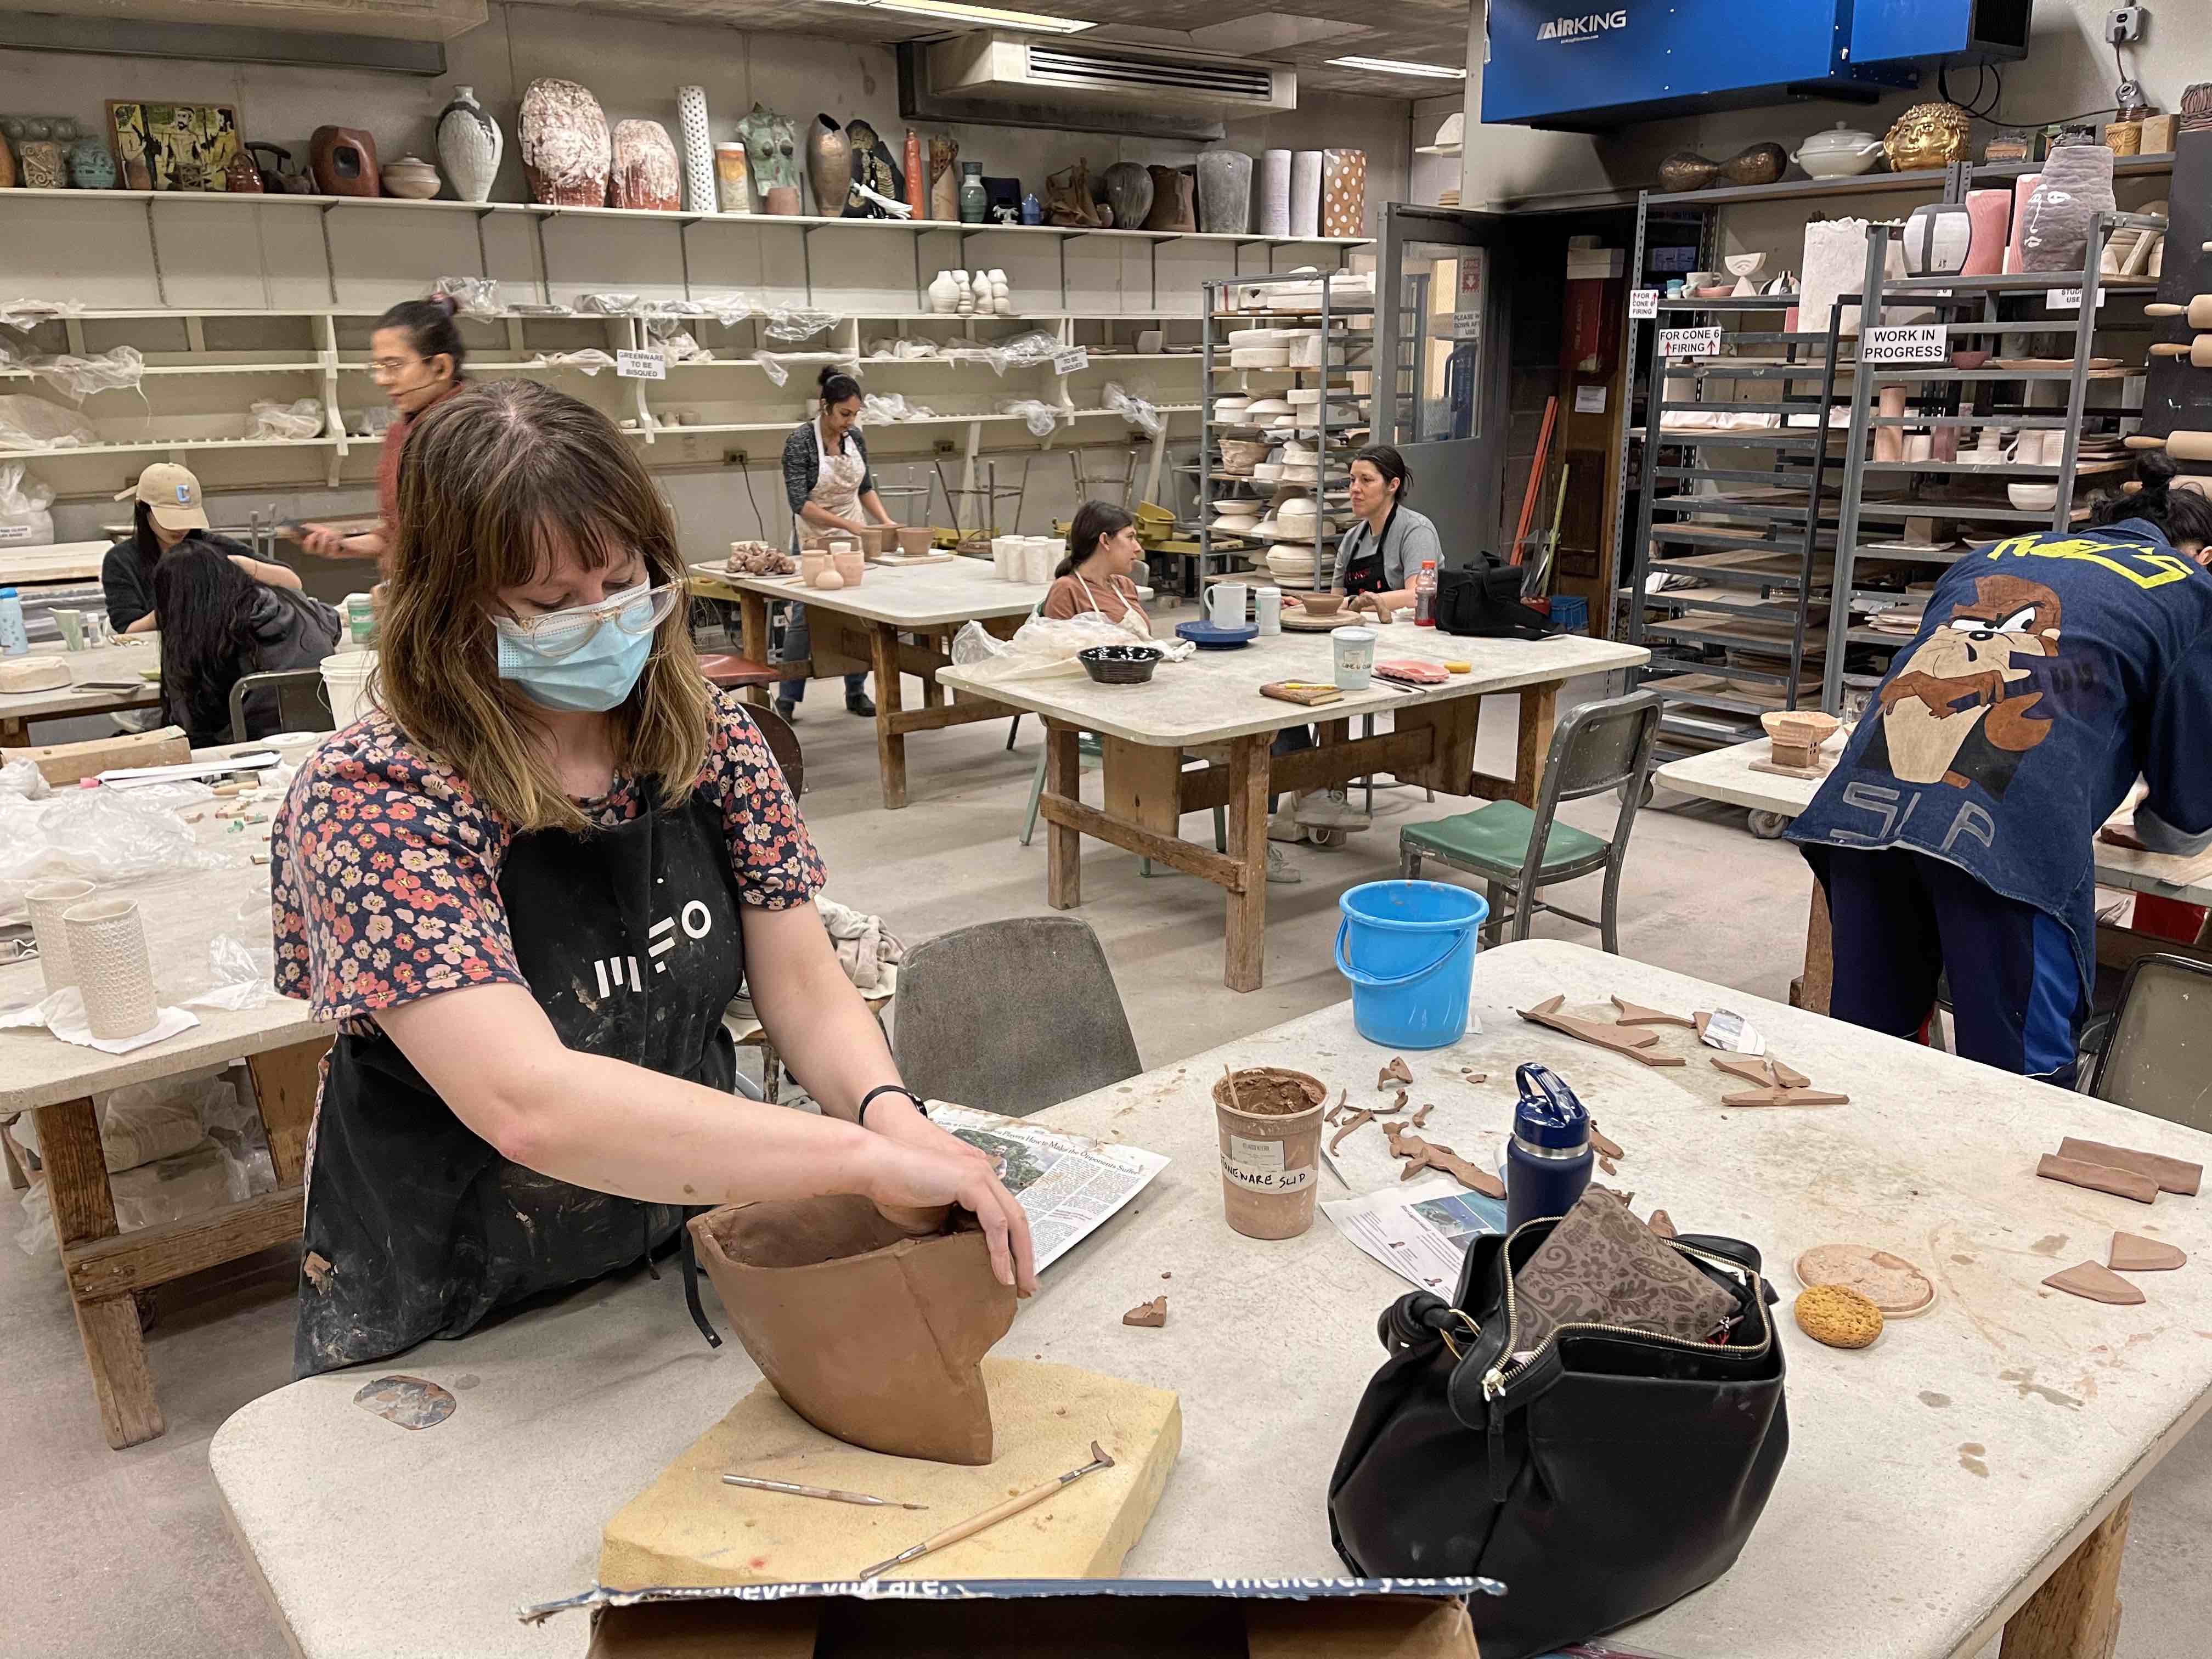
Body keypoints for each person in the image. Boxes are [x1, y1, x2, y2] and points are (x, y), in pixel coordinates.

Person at [269, 380, 1034, 1378]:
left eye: (623, 583)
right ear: (451, 605)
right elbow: (529, 1102)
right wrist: (858, 1161)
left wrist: (887, 1111)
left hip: (680, 1236)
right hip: (452, 1301)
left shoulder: (706, 737)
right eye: (549, 604)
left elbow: (801, 984)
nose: (601, 621)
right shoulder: (378, 794)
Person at [1788, 453, 2212, 1085]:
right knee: (2021, 1086)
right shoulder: (2190, 589)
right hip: (2006, 840)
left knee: (1872, 1056)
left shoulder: (1996, 556)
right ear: (2203, 552)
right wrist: (2167, 829)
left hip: (1861, 811)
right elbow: (2188, 784)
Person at [295, 295, 467, 570]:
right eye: (378, 367)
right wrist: (343, 544)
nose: (382, 379)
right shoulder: (401, 433)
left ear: (440, 367)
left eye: (394, 366)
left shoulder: (479, 433)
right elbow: (397, 535)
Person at [776, 368, 889, 721]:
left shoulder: (855, 438)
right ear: (825, 407)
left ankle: (856, 691)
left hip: (852, 530)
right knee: (804, 616)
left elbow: (865, 487)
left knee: (858, 613)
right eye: (844, 414)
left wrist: (885, 522)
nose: (850, 421)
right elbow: (800, 501)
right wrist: (848, 525)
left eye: (855, 414)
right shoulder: (800, 442)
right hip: (814, 533)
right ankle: (787, 698)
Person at [150, 544, 342, 746]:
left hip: (250, 747)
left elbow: (190, 724)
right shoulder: (296, 602)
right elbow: (334, 625)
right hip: (325, 735)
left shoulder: (205, 636)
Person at [101, 462, 302, 633]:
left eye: (186, 519)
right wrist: (176, 607)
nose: (181, 528)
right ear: (142, 509)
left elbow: (293, 583)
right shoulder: (121, 560)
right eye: (170, 520)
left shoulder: (214, 546)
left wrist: (243, 565)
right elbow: (126, 630)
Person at [1327, 444, 1445, 617]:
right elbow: (1336, 603)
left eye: (1366, 480)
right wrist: (1303, 605)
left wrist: (1354, 603)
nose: (1355, 489)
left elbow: (1418, 596)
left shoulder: (1416, 530)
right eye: (1353, 480)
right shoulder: (1351, 539)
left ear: (1393, 486)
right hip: (1359, 632)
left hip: (1407, 638)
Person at [1039, 501, 1150, 634]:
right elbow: (1055, 649)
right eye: (1130, 537)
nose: (1138, 548)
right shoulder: (1067, 590)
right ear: (1105, 541)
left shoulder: (1125, 586)